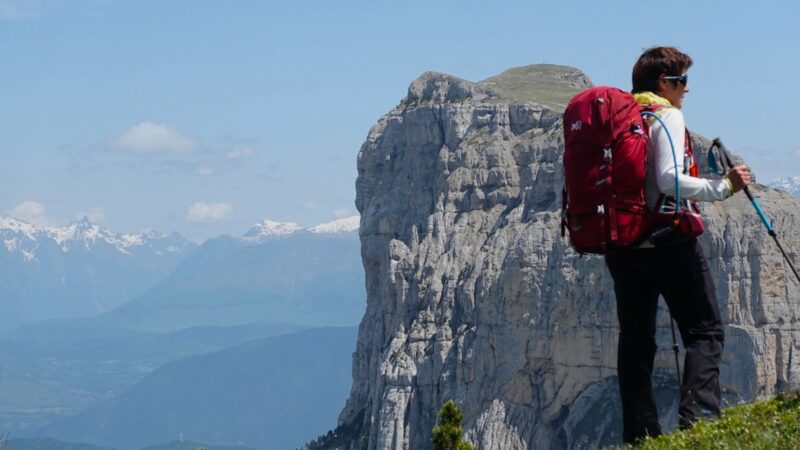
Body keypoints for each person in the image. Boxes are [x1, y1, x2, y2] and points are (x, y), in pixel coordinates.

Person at [604, 46, 752, 444]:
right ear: (662, 83)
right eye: (680, 81)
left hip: (621, 245)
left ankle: (639, 435)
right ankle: (700, 423)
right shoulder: (664, 115)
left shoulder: (620, 118)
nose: (686, 89)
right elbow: (669, 179)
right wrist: (723, 187)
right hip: (667, 241)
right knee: (705, 331)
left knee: (635, 340)